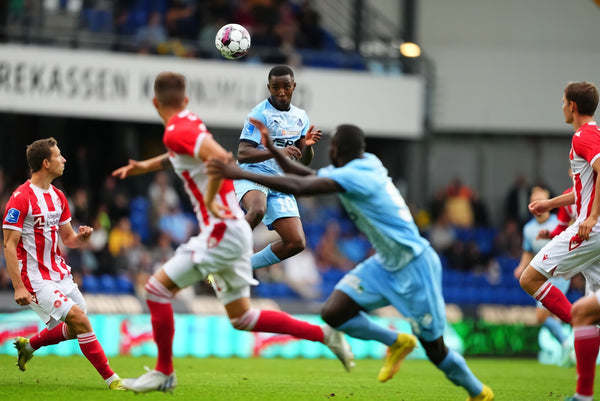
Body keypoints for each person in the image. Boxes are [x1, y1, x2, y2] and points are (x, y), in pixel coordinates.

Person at [207, 119, 494, 401]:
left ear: (335, 149)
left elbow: (301, 186)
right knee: (334, 312)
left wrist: (239, 172)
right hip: (385, 263)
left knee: (435, 350)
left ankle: (478, 392)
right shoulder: (366, 163)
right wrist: (276, 151)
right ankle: (397, 341)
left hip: (415, 266)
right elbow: (307, 177)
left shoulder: (357, 176)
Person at [111, 71, 353, 393]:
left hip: (221, 229)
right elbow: (180, 155)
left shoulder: (177, 130)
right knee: (243, 319)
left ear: (155, 103)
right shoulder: (189, 123)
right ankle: (324, 335)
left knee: (156, 290)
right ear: (184, 101)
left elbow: (223, 157)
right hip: (232, 230)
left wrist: (210, 200)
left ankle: (164, 372)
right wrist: (144, 166)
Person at [2, 138, 124, 390]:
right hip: (34, 278)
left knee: (78, 324)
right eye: (59, 156)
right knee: (80, 320)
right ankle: (113, 380)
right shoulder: (20, 198)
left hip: (59, 273)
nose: (64, 159)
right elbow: (9, 245)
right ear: (46, 163)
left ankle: (29, 345)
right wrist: (18, 287)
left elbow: (67, 238)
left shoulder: (58, 196)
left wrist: (82, 238)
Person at [521, 81, 600, 401]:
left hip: (591, 229)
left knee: (530, 277)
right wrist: (550, 204)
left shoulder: (584, 136)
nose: (561, 106)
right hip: (591, 227)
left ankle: (575, 332)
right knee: (590, 310)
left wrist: (592, 218)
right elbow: (583, 191)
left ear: (572, 106)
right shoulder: (590, 136)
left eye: (563, 101)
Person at [235, 65, 322, 270]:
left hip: (279, 182)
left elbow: (304, 160)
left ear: (294, 86)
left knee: (296, 242)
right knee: (257, 209)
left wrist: (307, 147)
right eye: (275, 87)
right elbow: (243, 153)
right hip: (253, 174)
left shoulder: (301, 116)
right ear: (269, 87)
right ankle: (223, 255)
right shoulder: (259, 114)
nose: (281, 91)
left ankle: (240, 267)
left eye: (286, 86)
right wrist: (276, 151)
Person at [512, 186, 572, 366]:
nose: (537, 197)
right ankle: (567, 352)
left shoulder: (559, 222)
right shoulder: (528, 228)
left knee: (541, 316)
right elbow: (527, 251)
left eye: (541, 195)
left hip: (558, 273)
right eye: (534, 195)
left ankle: (567, 342)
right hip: (540, 274)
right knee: (553, 316)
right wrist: (521, 266)